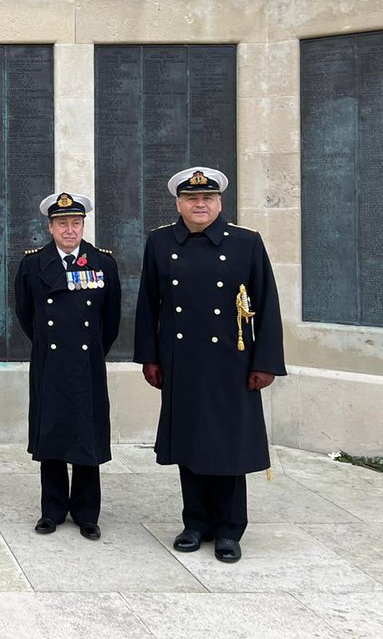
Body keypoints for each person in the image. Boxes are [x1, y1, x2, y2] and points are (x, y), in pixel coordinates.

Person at [134, 167, 285, 564]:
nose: (200, 204)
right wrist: (149, 357)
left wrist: (265, 361)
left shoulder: (246, 243)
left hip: (232, 361)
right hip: (182, 360)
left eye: (208, 198)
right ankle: (195, 523)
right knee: (190, 441)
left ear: (219, 202)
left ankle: (229, 530)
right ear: (178, 203)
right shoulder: (160, 242)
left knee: (228, 444)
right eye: (191, 198)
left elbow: (267, 304)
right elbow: (149, 305)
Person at [14, 191, 121, 540]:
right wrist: (48, 346)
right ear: (50, 226)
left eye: (76, 223)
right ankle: (53, 510)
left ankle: (87, 513)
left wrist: (91, 351)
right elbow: (25, 314)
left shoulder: (103, 263)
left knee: (87, 435)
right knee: (53, 434)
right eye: (62, 223)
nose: (70, 230)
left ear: (83, 225)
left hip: (88, 362)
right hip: (51, 362)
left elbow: (112, 319)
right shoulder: (33, 263)